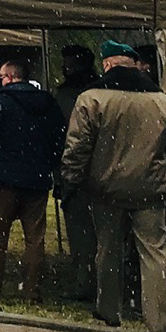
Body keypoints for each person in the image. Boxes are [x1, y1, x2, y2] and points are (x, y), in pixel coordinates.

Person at [59, 40, 166, 332]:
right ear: (132, 64)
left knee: (107, 250)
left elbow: (77, 147)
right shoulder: (161, 100)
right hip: (150, 191)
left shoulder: (91, 98)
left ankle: (109, 312)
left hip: (105, 190)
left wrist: (73, 180)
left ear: (107, 64)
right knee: (154, 252)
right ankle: (159, 322)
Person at [0, 60, 62, 302]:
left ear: (9, 77)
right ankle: (32, 291)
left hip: (3, 180)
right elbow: (59, 139)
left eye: (1, 76)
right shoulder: (47, 104)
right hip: (37, 180)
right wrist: (48, 166)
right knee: (35, 239)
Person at [53, 42, 102, 301]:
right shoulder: (101, 90)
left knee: (82, 233)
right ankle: (102, 283)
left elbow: (62, 135)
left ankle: (86, 283)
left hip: (77, 171)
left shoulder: (67, 95)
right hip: (98, 170)